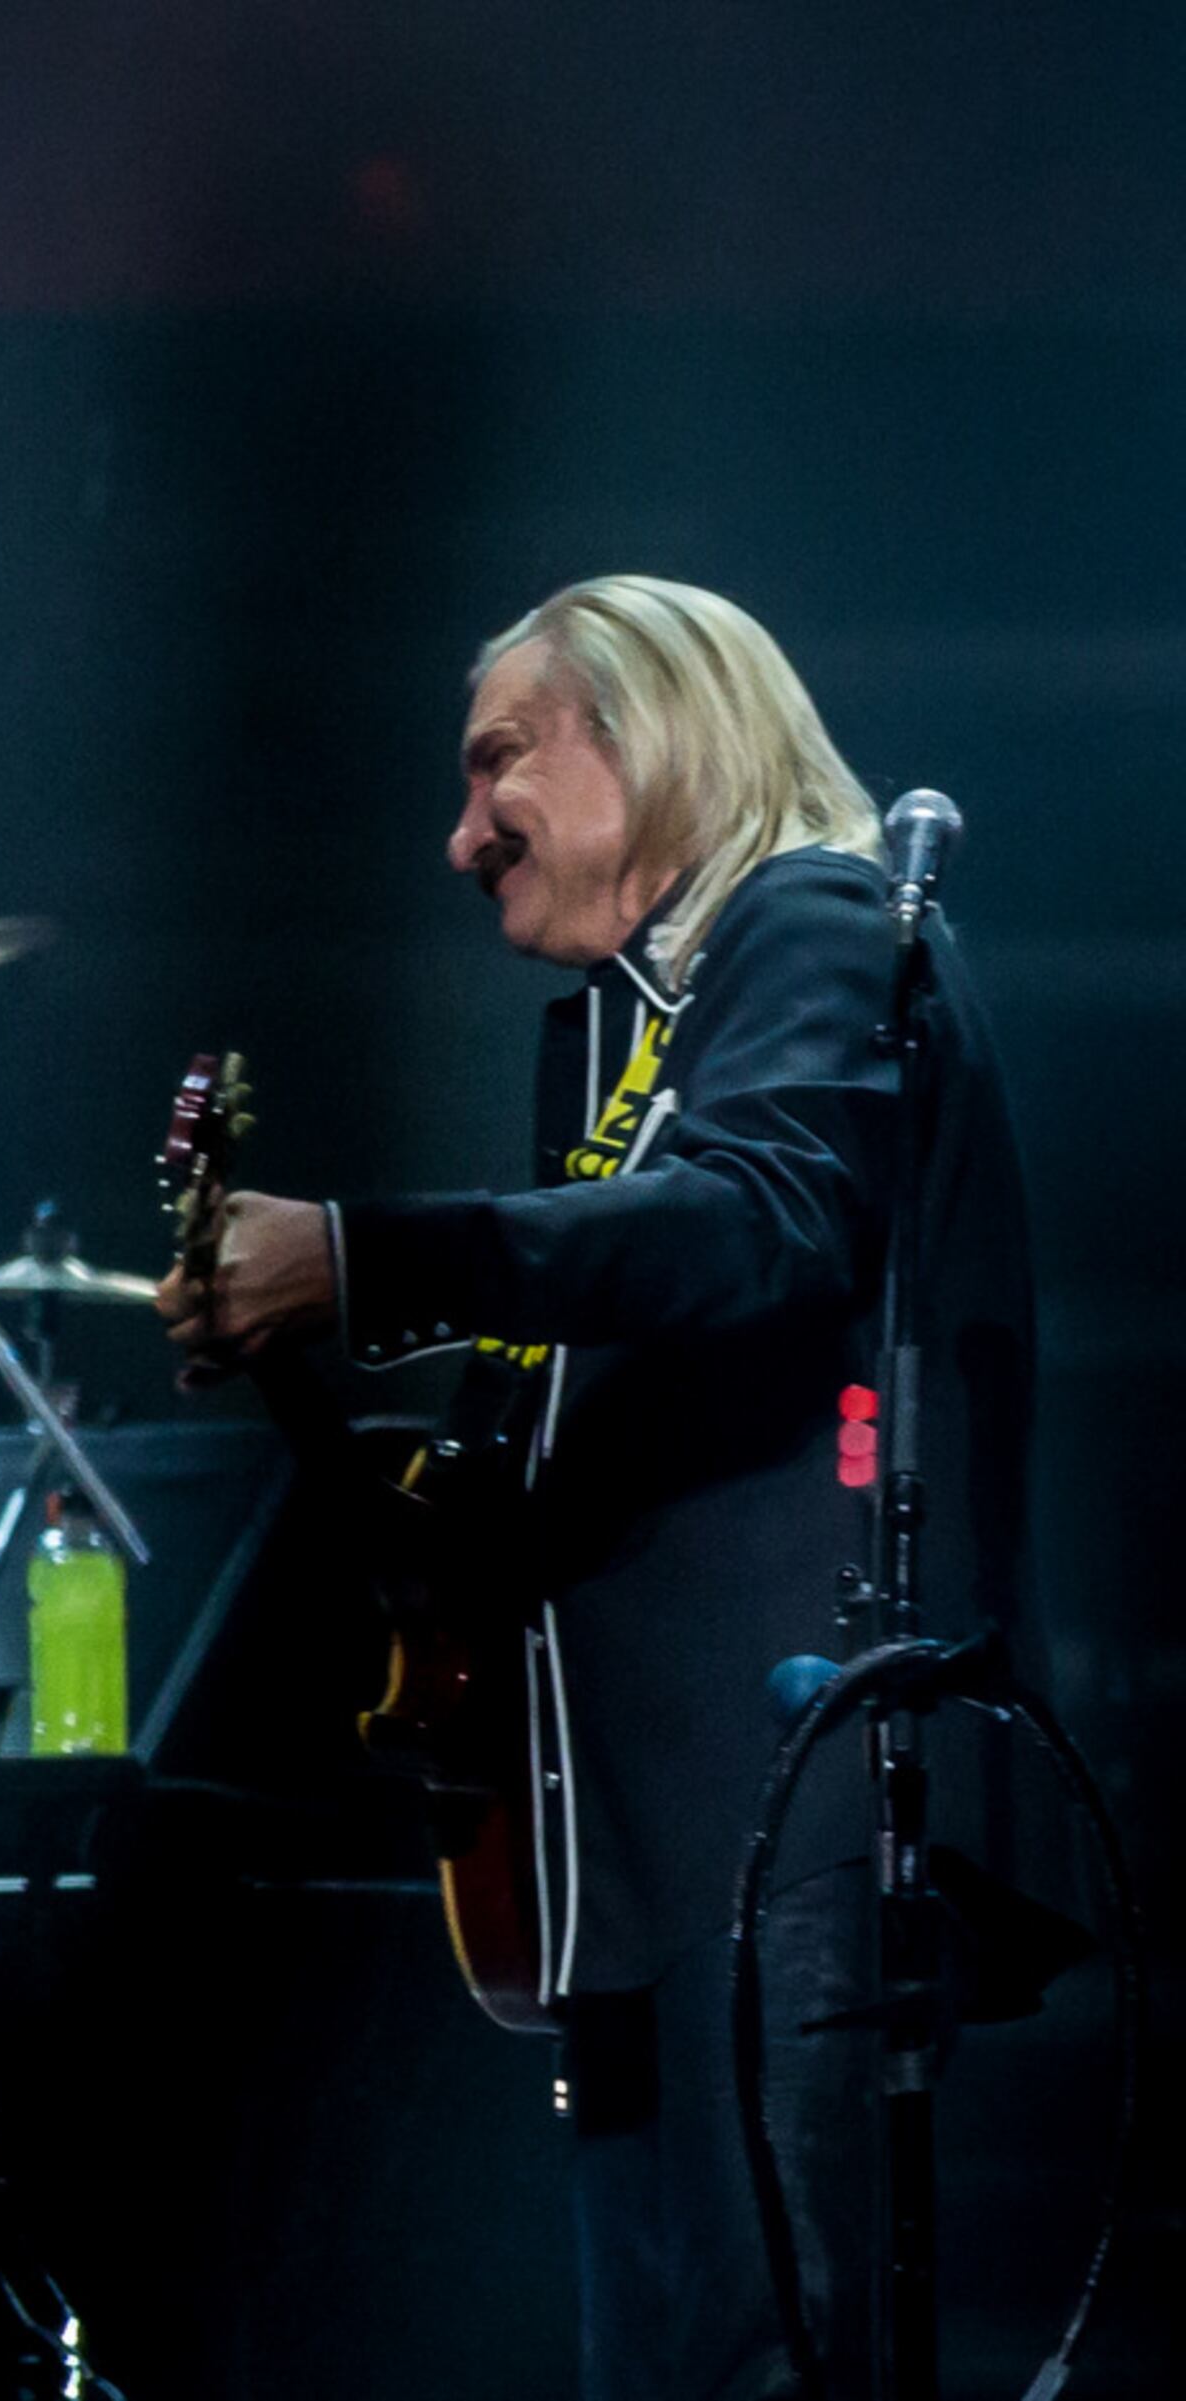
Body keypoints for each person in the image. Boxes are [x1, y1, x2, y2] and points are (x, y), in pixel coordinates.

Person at [157, 575, 1034, 2400]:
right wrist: (310, 1357)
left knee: (767, 2361)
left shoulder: (811, 913)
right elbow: (565, 1426)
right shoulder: (635, 1030)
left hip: (778, 1818)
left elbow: (762, 1225)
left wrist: (360, 1253)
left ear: (646, 729)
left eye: (499, 766)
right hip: (650, 1858)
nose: (464, 835)